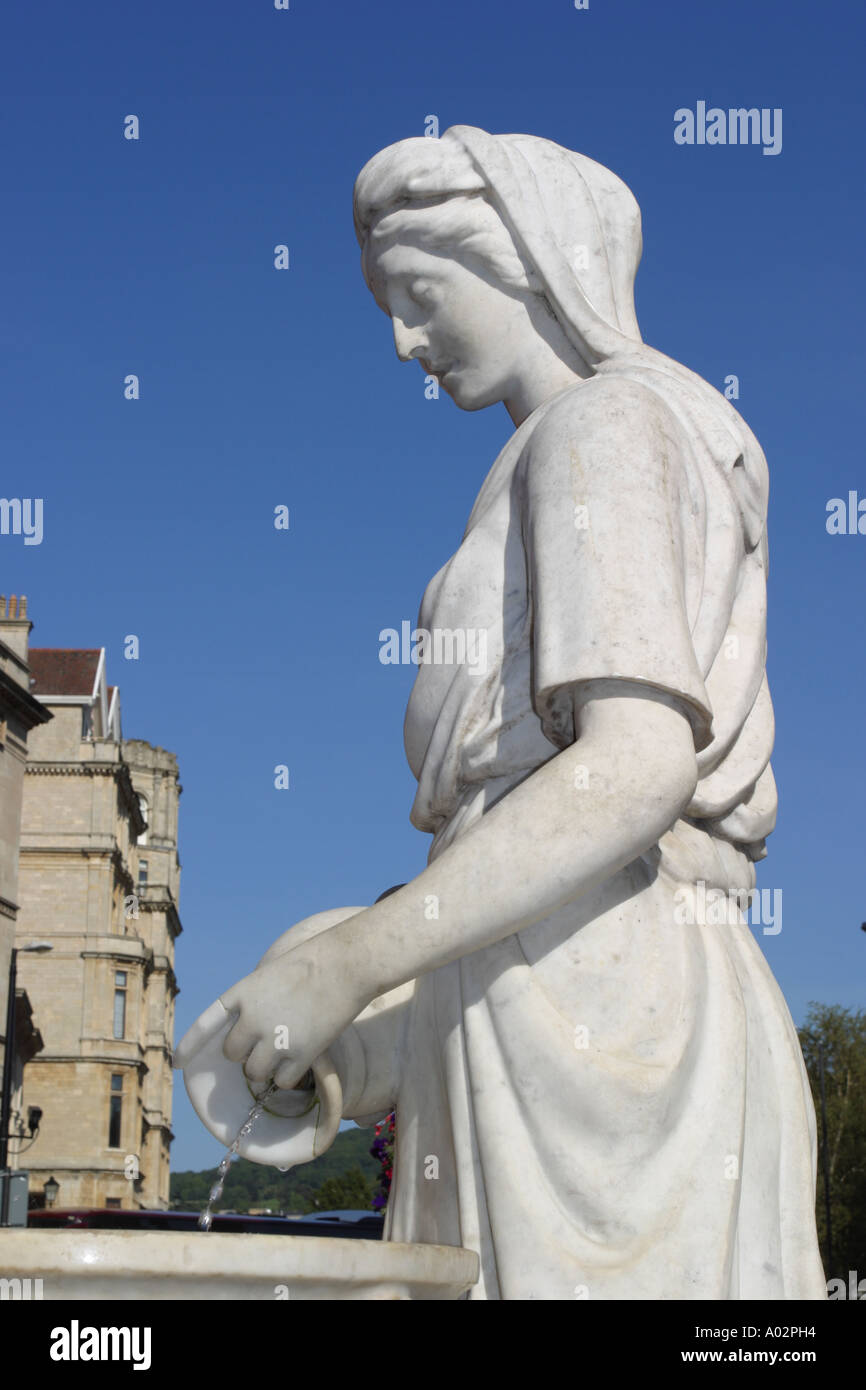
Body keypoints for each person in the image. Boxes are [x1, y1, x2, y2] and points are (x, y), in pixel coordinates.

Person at [214, 126, 826, 1299]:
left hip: (608, 1026)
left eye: (419, 295)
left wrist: (354, 957)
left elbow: (638, 764)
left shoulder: (602, 427)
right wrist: (356, 1025)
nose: (403, 341)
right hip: (566, 994)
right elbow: (530, 852)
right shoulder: (578, 444)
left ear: (522, 259)